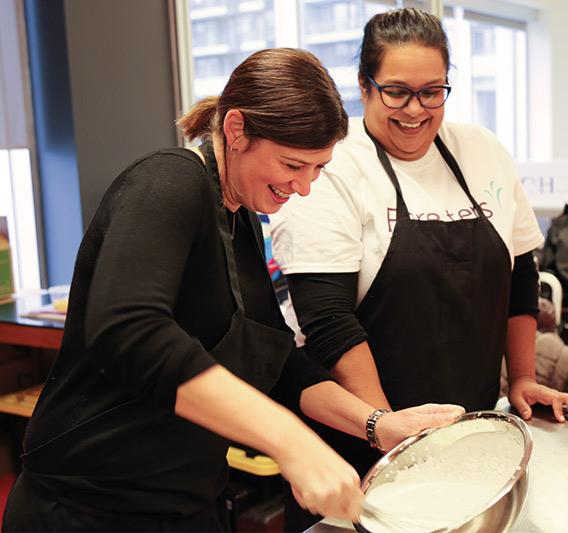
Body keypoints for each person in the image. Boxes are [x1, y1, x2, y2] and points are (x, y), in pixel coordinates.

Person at [2, 48, 465, 532]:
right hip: (88, 512)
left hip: (189, 505)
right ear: (236, 129)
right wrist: (291, 441)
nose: (304, 187)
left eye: (318, 168)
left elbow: (281, 366)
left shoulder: (243, 222)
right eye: (292, 164)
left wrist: (377, 425)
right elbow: (127, 329)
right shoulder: (167, 180)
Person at [270, 7, 568, 503]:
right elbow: (327, 320)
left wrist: (523, 377)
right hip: (362, 440)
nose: (415, 110)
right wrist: (389, 432)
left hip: (471, 432)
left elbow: (520, 274)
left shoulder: (482, 150)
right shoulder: (333, 164)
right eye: (396, 91)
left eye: (432, 92)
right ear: (363, 85)